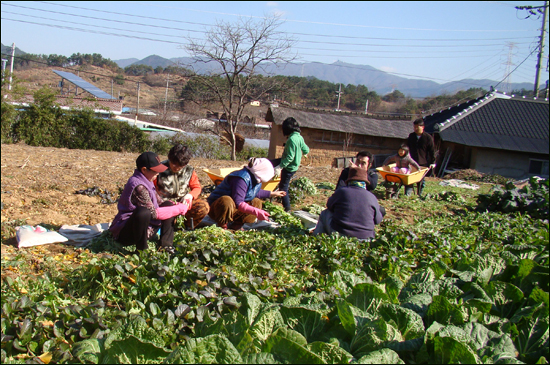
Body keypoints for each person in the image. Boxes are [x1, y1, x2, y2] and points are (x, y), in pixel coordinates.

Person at [109, 152, 189, 254]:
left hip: (146, 229)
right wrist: (178, 209)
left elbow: (160, 202)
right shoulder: (139, 186)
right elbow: (153, 214)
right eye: (155, 171)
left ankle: (166, 245)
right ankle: (142, 250)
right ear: (144, 169)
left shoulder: (148, 179)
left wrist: (175, 205)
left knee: (168, 205)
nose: (158, 174)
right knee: (143, 212)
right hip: (128, 233)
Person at [207, 157, 287, 230]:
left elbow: (254, 192)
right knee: (226, 200)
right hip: (217, 209)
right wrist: (257, 212)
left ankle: (237, 225)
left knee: (256, 202)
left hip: (233, 208)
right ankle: (222, 226)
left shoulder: (255, 178)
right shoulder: (240, 179)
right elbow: (239, 203)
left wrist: (273, 193)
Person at [313, 166, 384, 240]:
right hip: (366, 239)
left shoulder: (342, 192)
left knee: (325, 213)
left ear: (349, 181)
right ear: (365, 183)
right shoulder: (372, 197)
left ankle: (318, 238)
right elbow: (378, 220)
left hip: (342, 236)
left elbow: (329, 206)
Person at [155, 144, 209, 230]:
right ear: (170, 159)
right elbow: (151, 188)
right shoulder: (159, 169)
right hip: (164, 204)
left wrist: (190, 195)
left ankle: (185, 226)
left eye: (181, 166)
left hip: (183, 204)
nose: (176, 168)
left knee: (203, 206)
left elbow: (197, 187)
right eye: (174, 164)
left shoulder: (189, 170)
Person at [270, 117, 309, 212]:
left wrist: (280, 167)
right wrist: (304, 153)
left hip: (289, 167)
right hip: (294, 165)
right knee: (270, 162)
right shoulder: (299, 137)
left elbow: (289, 158)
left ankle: (287, 208)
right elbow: (306, 149)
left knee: (283, 188)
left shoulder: (291, 140)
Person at [406, 118, 436, 196]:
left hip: (422, 162)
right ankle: (407, 194)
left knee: (420, 179)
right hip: (411, 161)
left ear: (422, 127)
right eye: (414, 127)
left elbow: (432, 151)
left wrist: (433, 162)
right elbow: (407, 147)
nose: (415, 129)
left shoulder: (428, 138)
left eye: (417, 127)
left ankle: (419, 194)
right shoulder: (411, 136)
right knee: (410, 179)